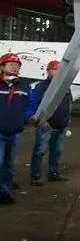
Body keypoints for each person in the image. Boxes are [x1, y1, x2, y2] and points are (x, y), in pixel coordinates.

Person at [27, 60, 72, 186]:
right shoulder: (41, 87)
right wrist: (40, 120)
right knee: (40, 151)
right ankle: (35, 176)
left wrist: (68, 118)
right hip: (46, 126)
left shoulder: (65, 88)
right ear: (48, 71)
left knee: (57, 151)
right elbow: (34, 104)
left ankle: (53, 173)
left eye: (60, 70)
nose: (57, 72)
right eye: (54, 69)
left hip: (61, 126)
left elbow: (69, 102)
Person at [0, 53, 34, 205]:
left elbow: (31, 104)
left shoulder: (24, 85)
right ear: (2, 67)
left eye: (17, 65)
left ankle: (4, 193)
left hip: (15, 132)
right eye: (11, 64)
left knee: (10, 164)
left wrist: (24, 116)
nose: (15, 67)